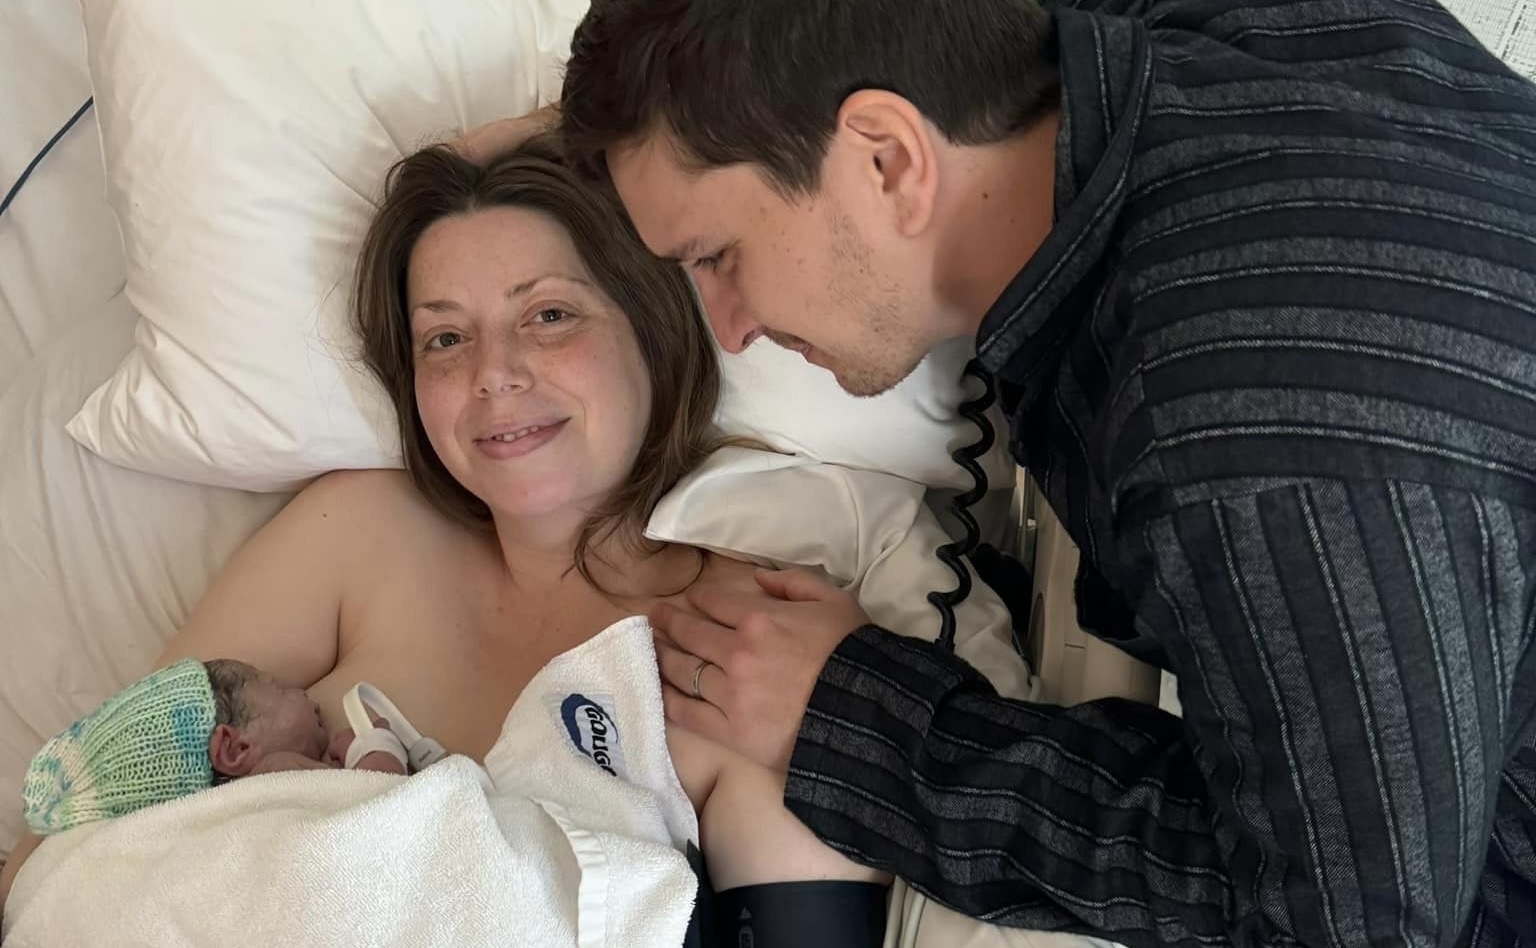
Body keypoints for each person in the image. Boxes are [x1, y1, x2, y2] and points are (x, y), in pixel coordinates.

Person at [547, 0, 1536, 945]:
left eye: (718, 255)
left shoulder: (1237, 434)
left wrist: (863, 725)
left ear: (887, 158)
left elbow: (1339, 922)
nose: (731, 328)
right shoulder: (1185, 41)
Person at [0, 139, 901, 947]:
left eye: (549, 315)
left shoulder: (748, 641)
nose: (493, 374)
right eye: (444, 337)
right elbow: (92, 825)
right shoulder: (356, 536)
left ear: (651, 329)